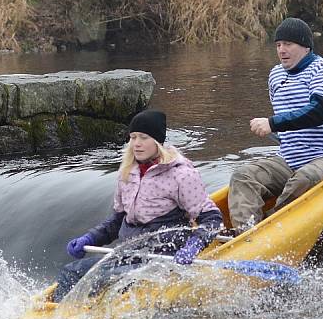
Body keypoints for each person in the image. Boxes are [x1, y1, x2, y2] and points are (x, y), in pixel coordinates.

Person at [52, 110, 223, 302]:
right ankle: (56, 315)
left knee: (102, 279)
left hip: (162, 257)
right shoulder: (127, 172)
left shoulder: (181, 174)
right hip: (130, 254)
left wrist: (194, 245)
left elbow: (212, 219)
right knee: (71, 272)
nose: (136, 144)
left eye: (143, 137)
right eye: (133, 137)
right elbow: (117, 222)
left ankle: (79, 317)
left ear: (157, 142)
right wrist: (90, 238)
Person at [228, 17, 323, 233]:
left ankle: (270, 229)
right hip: (289, 158)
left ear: (305, 46)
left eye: (288, 44)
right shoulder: (275, 75)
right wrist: (277, 129)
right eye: (278, 45)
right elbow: (287, 120)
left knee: (304, 178)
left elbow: (318, 113)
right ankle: (245, 234)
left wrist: (272, 124)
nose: (282, 50)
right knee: (243, 175)